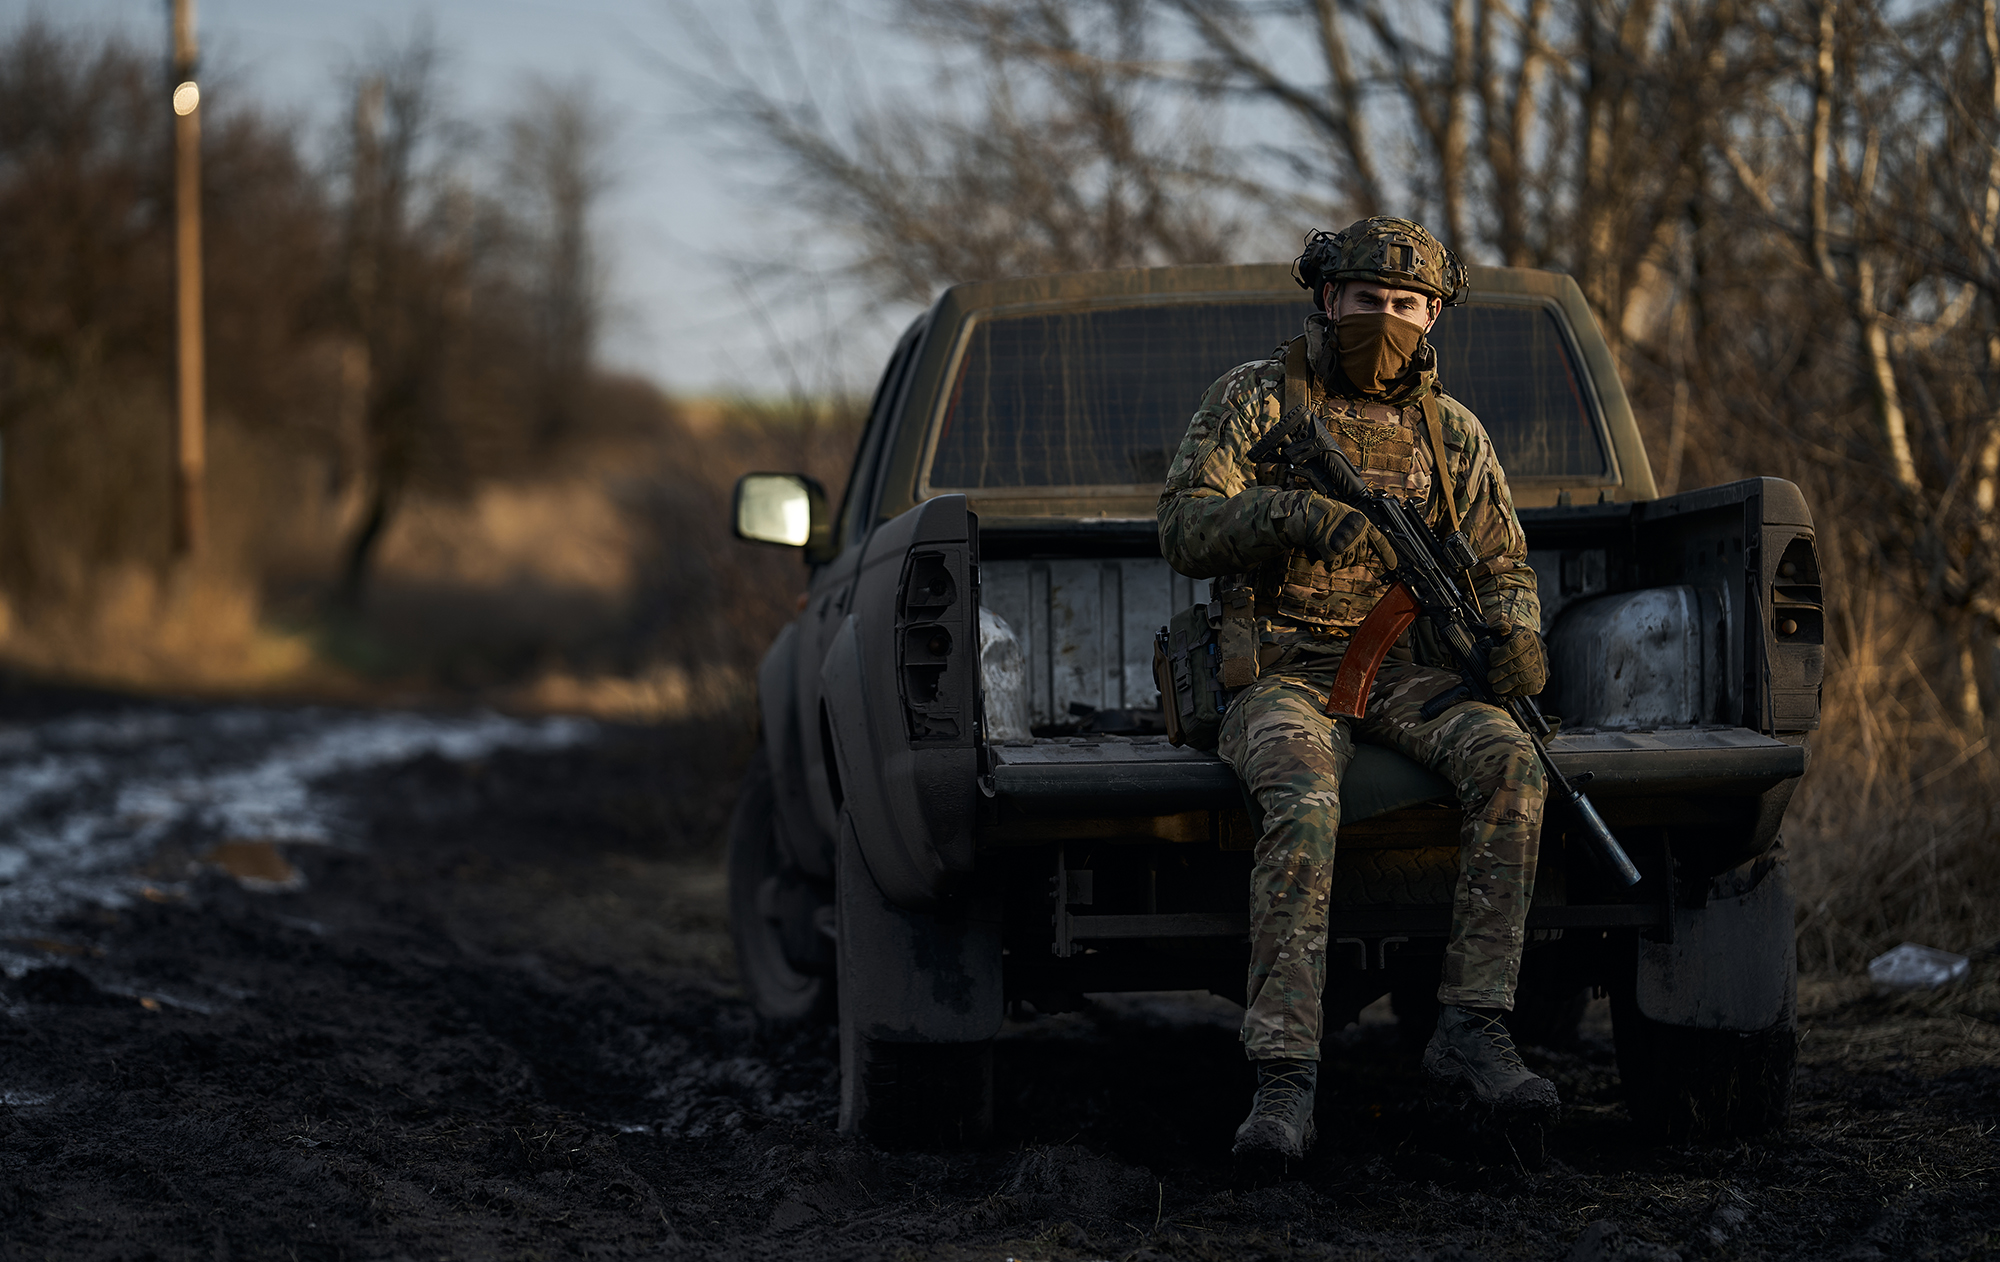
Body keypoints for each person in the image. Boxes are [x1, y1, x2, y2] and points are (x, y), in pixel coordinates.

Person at [1156, 217, 1558, 1166]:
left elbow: (1501, 564)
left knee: (1514, 763)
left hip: (1405, 673)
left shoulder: (1451, 433)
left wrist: (1518, 639)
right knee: (1302, 801)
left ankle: (1472, 1026)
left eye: (1407, 304)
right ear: (1329, 299)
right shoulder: (1256, 399)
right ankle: (1284, 1079)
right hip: (1280, 673)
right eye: (1368, 299)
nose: (1387, 319)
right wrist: (1284, 515)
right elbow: (1182, 526)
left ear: (1433, 316)